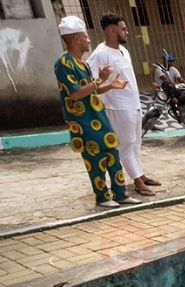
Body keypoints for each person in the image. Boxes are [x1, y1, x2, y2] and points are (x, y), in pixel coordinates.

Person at [54, 15, 140, 208]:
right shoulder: (63, 63)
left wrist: (110, 86)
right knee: (95, 159)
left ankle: (119, 194)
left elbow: (92, 88)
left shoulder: (83, 64)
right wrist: (100, 80)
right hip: (82, 120)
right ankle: (102, 197)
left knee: (112, 152)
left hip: (98, 115)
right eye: (85, 37)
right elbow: (75, 94)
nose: (89, 40)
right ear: (76, 39)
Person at [87, 12, 161, 197]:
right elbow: (88, 81)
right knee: (126, 144)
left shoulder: (123, 50)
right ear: (112, 31)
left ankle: (141, 175)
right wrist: (107, 86)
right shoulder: (100, 54)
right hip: (117, 107)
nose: (127, 32)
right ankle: (137, 182)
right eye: (123, 29)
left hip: (133, 103)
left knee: (136, 142)